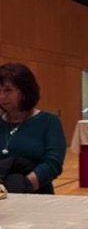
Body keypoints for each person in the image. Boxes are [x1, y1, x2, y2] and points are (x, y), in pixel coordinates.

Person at [0, 62, 66, 194]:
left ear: (24, 92)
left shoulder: (49, 121)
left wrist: (23, 186)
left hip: (36, 195)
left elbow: (53, 164)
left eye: (8, 90)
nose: (1, 96)